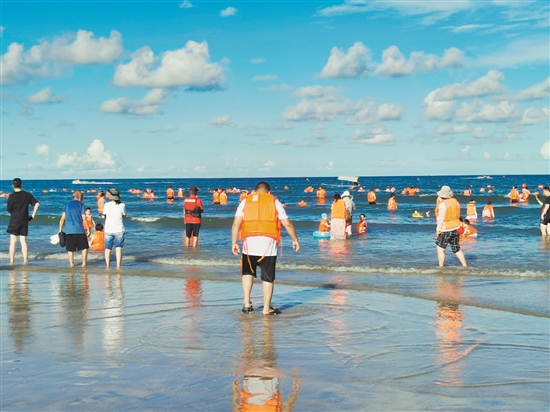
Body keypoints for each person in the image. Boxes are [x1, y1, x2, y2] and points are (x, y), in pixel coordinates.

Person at [231, 181, 300, 315]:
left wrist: (234, 242)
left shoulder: (245, 202)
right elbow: (287, 223)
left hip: (249, 244)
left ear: (255, 191)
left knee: (247, 273)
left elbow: (236, 224)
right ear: (269, 192)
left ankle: (246, 303)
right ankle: (266, 308)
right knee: (267, 277)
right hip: (268, 246)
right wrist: (295, 240)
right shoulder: (274, 201)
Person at [6, 178, 40, 264]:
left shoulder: (11, 196)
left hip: (14, 220)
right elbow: (37, 204)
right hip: (24, 220)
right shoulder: (27, 195)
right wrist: (33, 215)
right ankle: (25, 261)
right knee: (23, 241)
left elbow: (9, 210)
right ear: (21, 185)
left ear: (13, 186)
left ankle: (12, 261)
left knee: (13, 241)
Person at [435, 186, 467, 267]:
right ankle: (464, 265)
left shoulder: (443, 205)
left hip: (446, 229)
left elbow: (441, 218)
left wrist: (438, 229)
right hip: (456, 227)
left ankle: (441, 267)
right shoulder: (455, 201)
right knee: (457, 249)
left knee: (441, 249)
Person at [58, 191, 89, 267]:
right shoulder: (81, 205)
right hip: (79, 229)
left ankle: (71, 264)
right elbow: (84, 218)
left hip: (69, 230)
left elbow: (63, 218)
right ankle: (84, 263)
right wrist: (88, 228)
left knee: (70, 248)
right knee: (84, 247)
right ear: (79, 197)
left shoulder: (67, 205)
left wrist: (60, 229)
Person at [103, 188, 127, 268]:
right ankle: (118, 266)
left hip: (108, 229)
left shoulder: (106, 205)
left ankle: (107, 265)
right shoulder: (122, 205)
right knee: (118, 248)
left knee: (107, 248)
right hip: (119, 229)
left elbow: (104, 216)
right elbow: (124, 216)